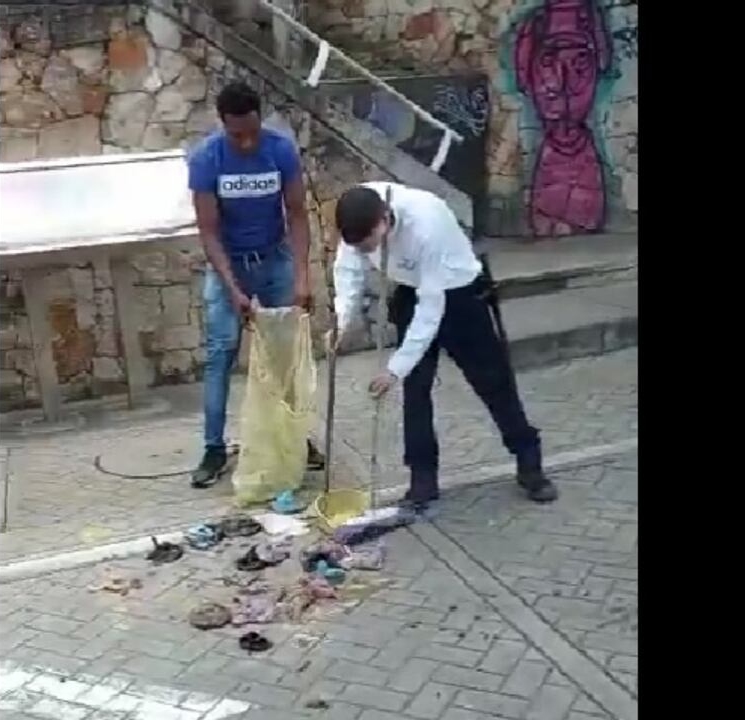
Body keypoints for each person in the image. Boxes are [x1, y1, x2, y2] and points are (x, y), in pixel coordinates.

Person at [329, 182, 558, 513]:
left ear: (384, 220)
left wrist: (395, 368)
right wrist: (342, 321)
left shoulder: (427, 222)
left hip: (457, 292)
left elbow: (431, 310)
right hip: (411, 290)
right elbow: (348, 269)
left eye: (370, 244)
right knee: (416, 391)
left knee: (493, 383)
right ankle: (422, 478)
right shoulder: (356, 211)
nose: (367, 252)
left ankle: (529, 462)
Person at [186, 81, 323, 488]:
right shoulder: (207, 159)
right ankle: (213, 449)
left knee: (285, 354)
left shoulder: (280, 150)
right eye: (237, 135)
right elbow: (208, 231)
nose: (246, 142)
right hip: (228, 265)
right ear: (223, 124)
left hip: (274, 260)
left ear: (260, 119)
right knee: (221, 354)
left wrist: (301, 277)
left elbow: (297, 214)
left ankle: (294, 439)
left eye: (252, 131)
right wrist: (233, 289)